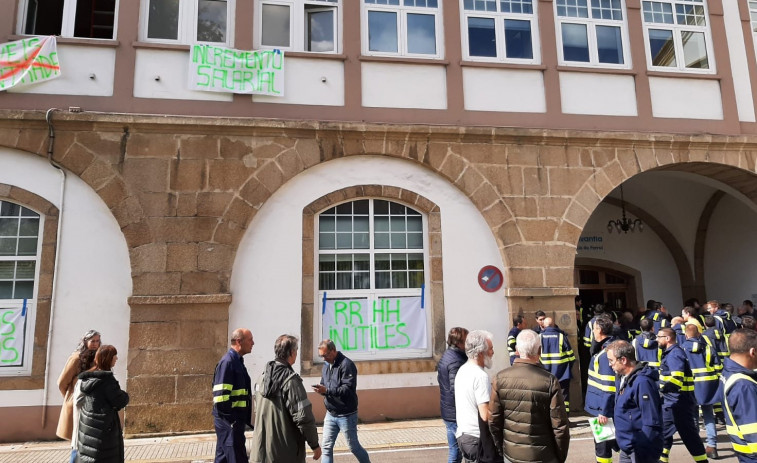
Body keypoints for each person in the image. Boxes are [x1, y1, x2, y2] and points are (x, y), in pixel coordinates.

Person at [489, 329, 569, 463]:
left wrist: (501, 448)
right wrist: (560, 457)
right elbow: (560, 426)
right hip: (543, 455)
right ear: (539, 351)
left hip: (511, 453)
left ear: (516, 350)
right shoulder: (549, 381)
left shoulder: (499, 378)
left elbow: (494, 420)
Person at [250, 335, 321, 463]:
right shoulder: (291, 380)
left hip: (260, 453)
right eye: (296, 350)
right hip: (285, 454)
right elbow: (303, 417)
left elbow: (257, 412)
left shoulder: (261, 378)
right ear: (292, 352)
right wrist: (314, 445)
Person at [313, 339, 370, 463]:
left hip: (347, 415)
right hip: (331, 413)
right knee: (326, 447)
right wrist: (321, 390)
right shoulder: (326, 365)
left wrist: (327, 390)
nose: (323, 359)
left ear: (333, 351)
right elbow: (324, 383)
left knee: (353, 447)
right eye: (321, 356)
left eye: (325, 355)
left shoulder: (347, 365)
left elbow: (347, 389)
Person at [657, 328, 708, 463]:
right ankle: (661, 459)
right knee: (663, 432)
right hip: (673, 401)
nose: (657, 339)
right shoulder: (671, 353)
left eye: (659, 337)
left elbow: (676, 379)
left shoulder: (674, 354)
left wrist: (659, 388)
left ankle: (702, 461)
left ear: (667, 338)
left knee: (689, 435)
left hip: (678, 402)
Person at [606, 340, 662, 463]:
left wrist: (641, 448)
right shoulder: (623, 379)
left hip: (639, 449)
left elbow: (651, 420)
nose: (610, 365)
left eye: (611, 360)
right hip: (627, 446)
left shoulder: (642, 382)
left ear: (623, 360)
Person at [76, 345, 129, 463]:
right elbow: (120, 400)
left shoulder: (88, 379)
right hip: (104, 429)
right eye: (114, 356)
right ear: (108, 359)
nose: (116, 358)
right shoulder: (107, 381)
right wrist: (125, 395)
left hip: (89, 426)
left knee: (89, 456)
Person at [454, 330, 501, 463]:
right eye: (490, 349)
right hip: (476, 438)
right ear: (480, 353)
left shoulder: (463, 370)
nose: (493, 352)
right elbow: (485, 415)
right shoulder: (480, 376)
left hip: (463, 435)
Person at [212, 328, 254, 463]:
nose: (253, 343)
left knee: (223, 459)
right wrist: (233, 421)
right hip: (230, 423)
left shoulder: (236, 361)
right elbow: (220, 398)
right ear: (238, 341)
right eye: (250, 340)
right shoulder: (228, 362)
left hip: (233, 423)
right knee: (237, 458)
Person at [682, 324, 722, 459]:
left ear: (686, 335)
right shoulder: (708, 348)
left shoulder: (682, 349)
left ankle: (697, 445)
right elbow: (718, 367)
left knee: (693, 416)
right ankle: (712, 446)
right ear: (699, 334)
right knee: (708, 416)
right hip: (707, 388)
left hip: (691, 387)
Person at [56, 329, 101, 441]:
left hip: (94, 404)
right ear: (85, 341)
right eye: (93, 341)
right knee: (77, 440)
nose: (95, 344)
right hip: (78, 402)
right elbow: (62, 382)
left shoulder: (98, 358)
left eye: (97, 341)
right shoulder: (76, 358)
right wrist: (70, 397)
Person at [584, 315, 617, 463]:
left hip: (601, 408)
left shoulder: (605, 354)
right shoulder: (605, 348)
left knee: (603, 446)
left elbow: (609, 387)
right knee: (609, 443)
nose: (592, 332)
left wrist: (603, 412)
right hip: (599, 406)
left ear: (600, 330)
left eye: (594, 329)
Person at [721, 329, 757, 462]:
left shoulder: (728, 371)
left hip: (745, 453)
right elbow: (753, 431)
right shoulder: (744, 385)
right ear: (752, 352)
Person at [438, 327, 469, 463]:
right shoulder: (456, 361)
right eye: (466, 340)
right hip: (454, 413)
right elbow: (456, 389)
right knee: (456, 452)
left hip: (448, 410)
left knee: (454, 450)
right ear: (459, 343)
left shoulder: (447, 355)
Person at [539, 317, 575, 413]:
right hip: (562, 373)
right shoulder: (561, 336)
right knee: (564, 396)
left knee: (547, 396)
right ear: (553, 324)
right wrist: (567, 368)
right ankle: (565, 417)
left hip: (544, 374)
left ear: (544, 325)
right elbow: (571, 357)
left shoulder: (539, 337)